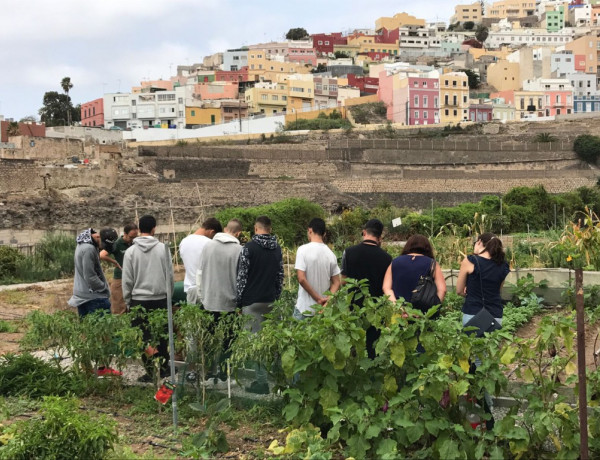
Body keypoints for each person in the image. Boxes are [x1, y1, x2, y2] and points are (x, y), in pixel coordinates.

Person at [456, 232, 510, 430]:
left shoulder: (470, 261)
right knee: (485, 362)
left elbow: (459, 290)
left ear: (480, 243)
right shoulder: (503, 266)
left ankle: (485, 414)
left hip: (473, 314)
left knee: (474, 365)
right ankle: (483, 410)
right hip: (494, 316)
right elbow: (498, 290)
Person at [122, 215, 174, 382]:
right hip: (160, 298)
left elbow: (127, 279)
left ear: (139, 229)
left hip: (139, 299)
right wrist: (168, 297)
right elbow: (170, 277)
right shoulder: (163, 249)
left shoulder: (130, 252)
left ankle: (150, 373)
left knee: (143, 338)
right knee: (162, 335)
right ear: (154, 229)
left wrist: (128, 300)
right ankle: (165, 369)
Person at [236, 215, 284, 394]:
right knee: (274, 341)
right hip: (271, 300)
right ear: (269, 229)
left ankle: (261, 382)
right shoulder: (277, 248)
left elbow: (242, 278)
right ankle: (279, 379)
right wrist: (276, 296)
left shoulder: (248, 248)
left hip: (252, 301)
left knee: (256, 343)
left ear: (256, 229)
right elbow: (280, 276)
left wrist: (239, 303)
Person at [68, 227, 122, 376]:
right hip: (94, 297)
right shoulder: (88, 250)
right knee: (103, 333)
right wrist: (105, 288)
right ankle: (102, 367)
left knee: (87, 332)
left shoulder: (83, 243)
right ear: (98, 237)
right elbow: (90, 277)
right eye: (103, 246)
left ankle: (87, 367)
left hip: (83, 295)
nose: (103, 249)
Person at [341, 219, 392, 358]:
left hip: (354, 310)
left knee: (354, 348)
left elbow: (343, 280)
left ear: (364, 232)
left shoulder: (349, 252)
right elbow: (388, 286)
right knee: (373, 348)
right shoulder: (387, 258)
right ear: (380, 237)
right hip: (376, 311)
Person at [199, 219, 243, 380]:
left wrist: (202, 295)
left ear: (225, 229)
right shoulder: (239, 250)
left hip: (209, 300)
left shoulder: (207, 246)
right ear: (238, 233)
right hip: (229, 303)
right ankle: (225, 374)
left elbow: (201, 271)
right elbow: (241, 278)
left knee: (209, 339)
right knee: (228, 341)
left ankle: (209, 373)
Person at [382, 234, 446, 310]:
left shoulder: (395, 262)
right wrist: (432, 309)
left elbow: (386, 288)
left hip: (398, 313)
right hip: (423, 313)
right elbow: (442, 289)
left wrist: (398, 308)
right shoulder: (432, 264)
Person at [294, 217, 341, 319]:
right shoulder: (331, 254)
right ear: (324, 234)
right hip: (322, 312)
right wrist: (326, 302)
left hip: (304, 309)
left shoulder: (302, 250)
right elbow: (337, 282)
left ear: (310, 231)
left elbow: (301, 278)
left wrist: (318, 298)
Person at [179, 218, 223, 305]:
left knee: (193, 317)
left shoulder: (184, 242)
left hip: (191, 290)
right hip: (207, 290)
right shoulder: (210, 244)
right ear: (211, 232)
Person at [100, 223, 138, 314]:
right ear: (125, 234)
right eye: (131, 237)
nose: (133, 239)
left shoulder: (135, 243)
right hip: (120, 277)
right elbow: (102, 255)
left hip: (134, 277)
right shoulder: (117, 243)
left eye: (135, 237)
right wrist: (115, 262)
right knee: (119, 305)